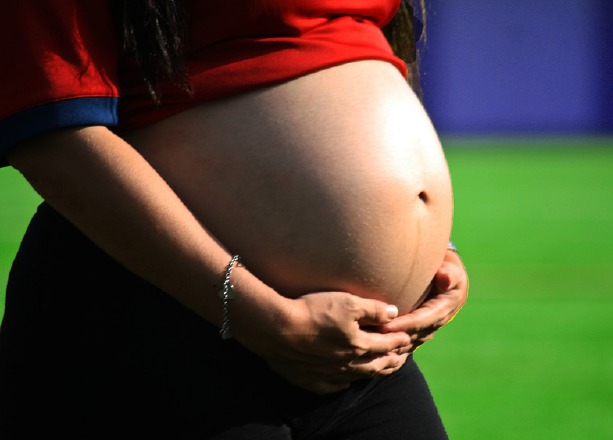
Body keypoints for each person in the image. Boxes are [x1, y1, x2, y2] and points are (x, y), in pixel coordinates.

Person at [0, 0, 468, 438]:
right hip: (162, 323)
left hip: (361, 353)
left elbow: (353, 53)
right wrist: (258, 318)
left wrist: (429, 251)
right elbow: (51, 130)